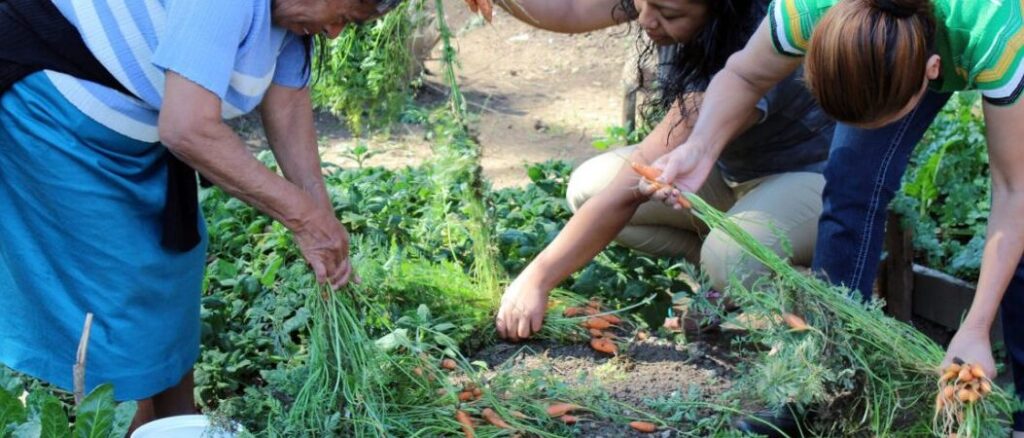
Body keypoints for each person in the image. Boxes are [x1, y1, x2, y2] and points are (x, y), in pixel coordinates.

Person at [0, 0, 400, 429]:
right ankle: (125, 426)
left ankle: (179, 423)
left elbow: (287, 107)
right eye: (346, 16)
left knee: (173, 267)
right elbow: (187, 128)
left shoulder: (291, 21)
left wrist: (323, 224)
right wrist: (302, 218)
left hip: (142, 129)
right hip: (56, 109)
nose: (336, 33)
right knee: (117, 292)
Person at [647, 0, 1024, 433]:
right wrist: (700, 147)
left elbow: (1014, 191)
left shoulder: (994, 31)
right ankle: (822, 387)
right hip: (888, 39)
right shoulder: (807, 9)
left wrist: (975, 326)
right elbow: (744, 73)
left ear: (933, 69)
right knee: (850, 176)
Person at [473, 0, 835, 342]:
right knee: (588, 188)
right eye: (642, 2)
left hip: (811, 181)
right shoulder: (664, 3)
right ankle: (723, 279)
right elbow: (569, 9)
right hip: (725, 172)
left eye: (669, 14)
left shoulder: (757, 42)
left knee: (730, 258)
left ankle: (804, 304)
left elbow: (626, 191)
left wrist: (537, 279)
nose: (646, 19)